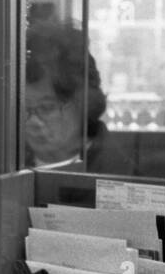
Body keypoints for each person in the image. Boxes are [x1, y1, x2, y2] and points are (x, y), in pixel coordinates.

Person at [23, 21, 133, 174]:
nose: (32, 122)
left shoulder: (116, 174)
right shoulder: (4, 162)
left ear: (84, 105)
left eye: (46, 108)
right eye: (24, 109)